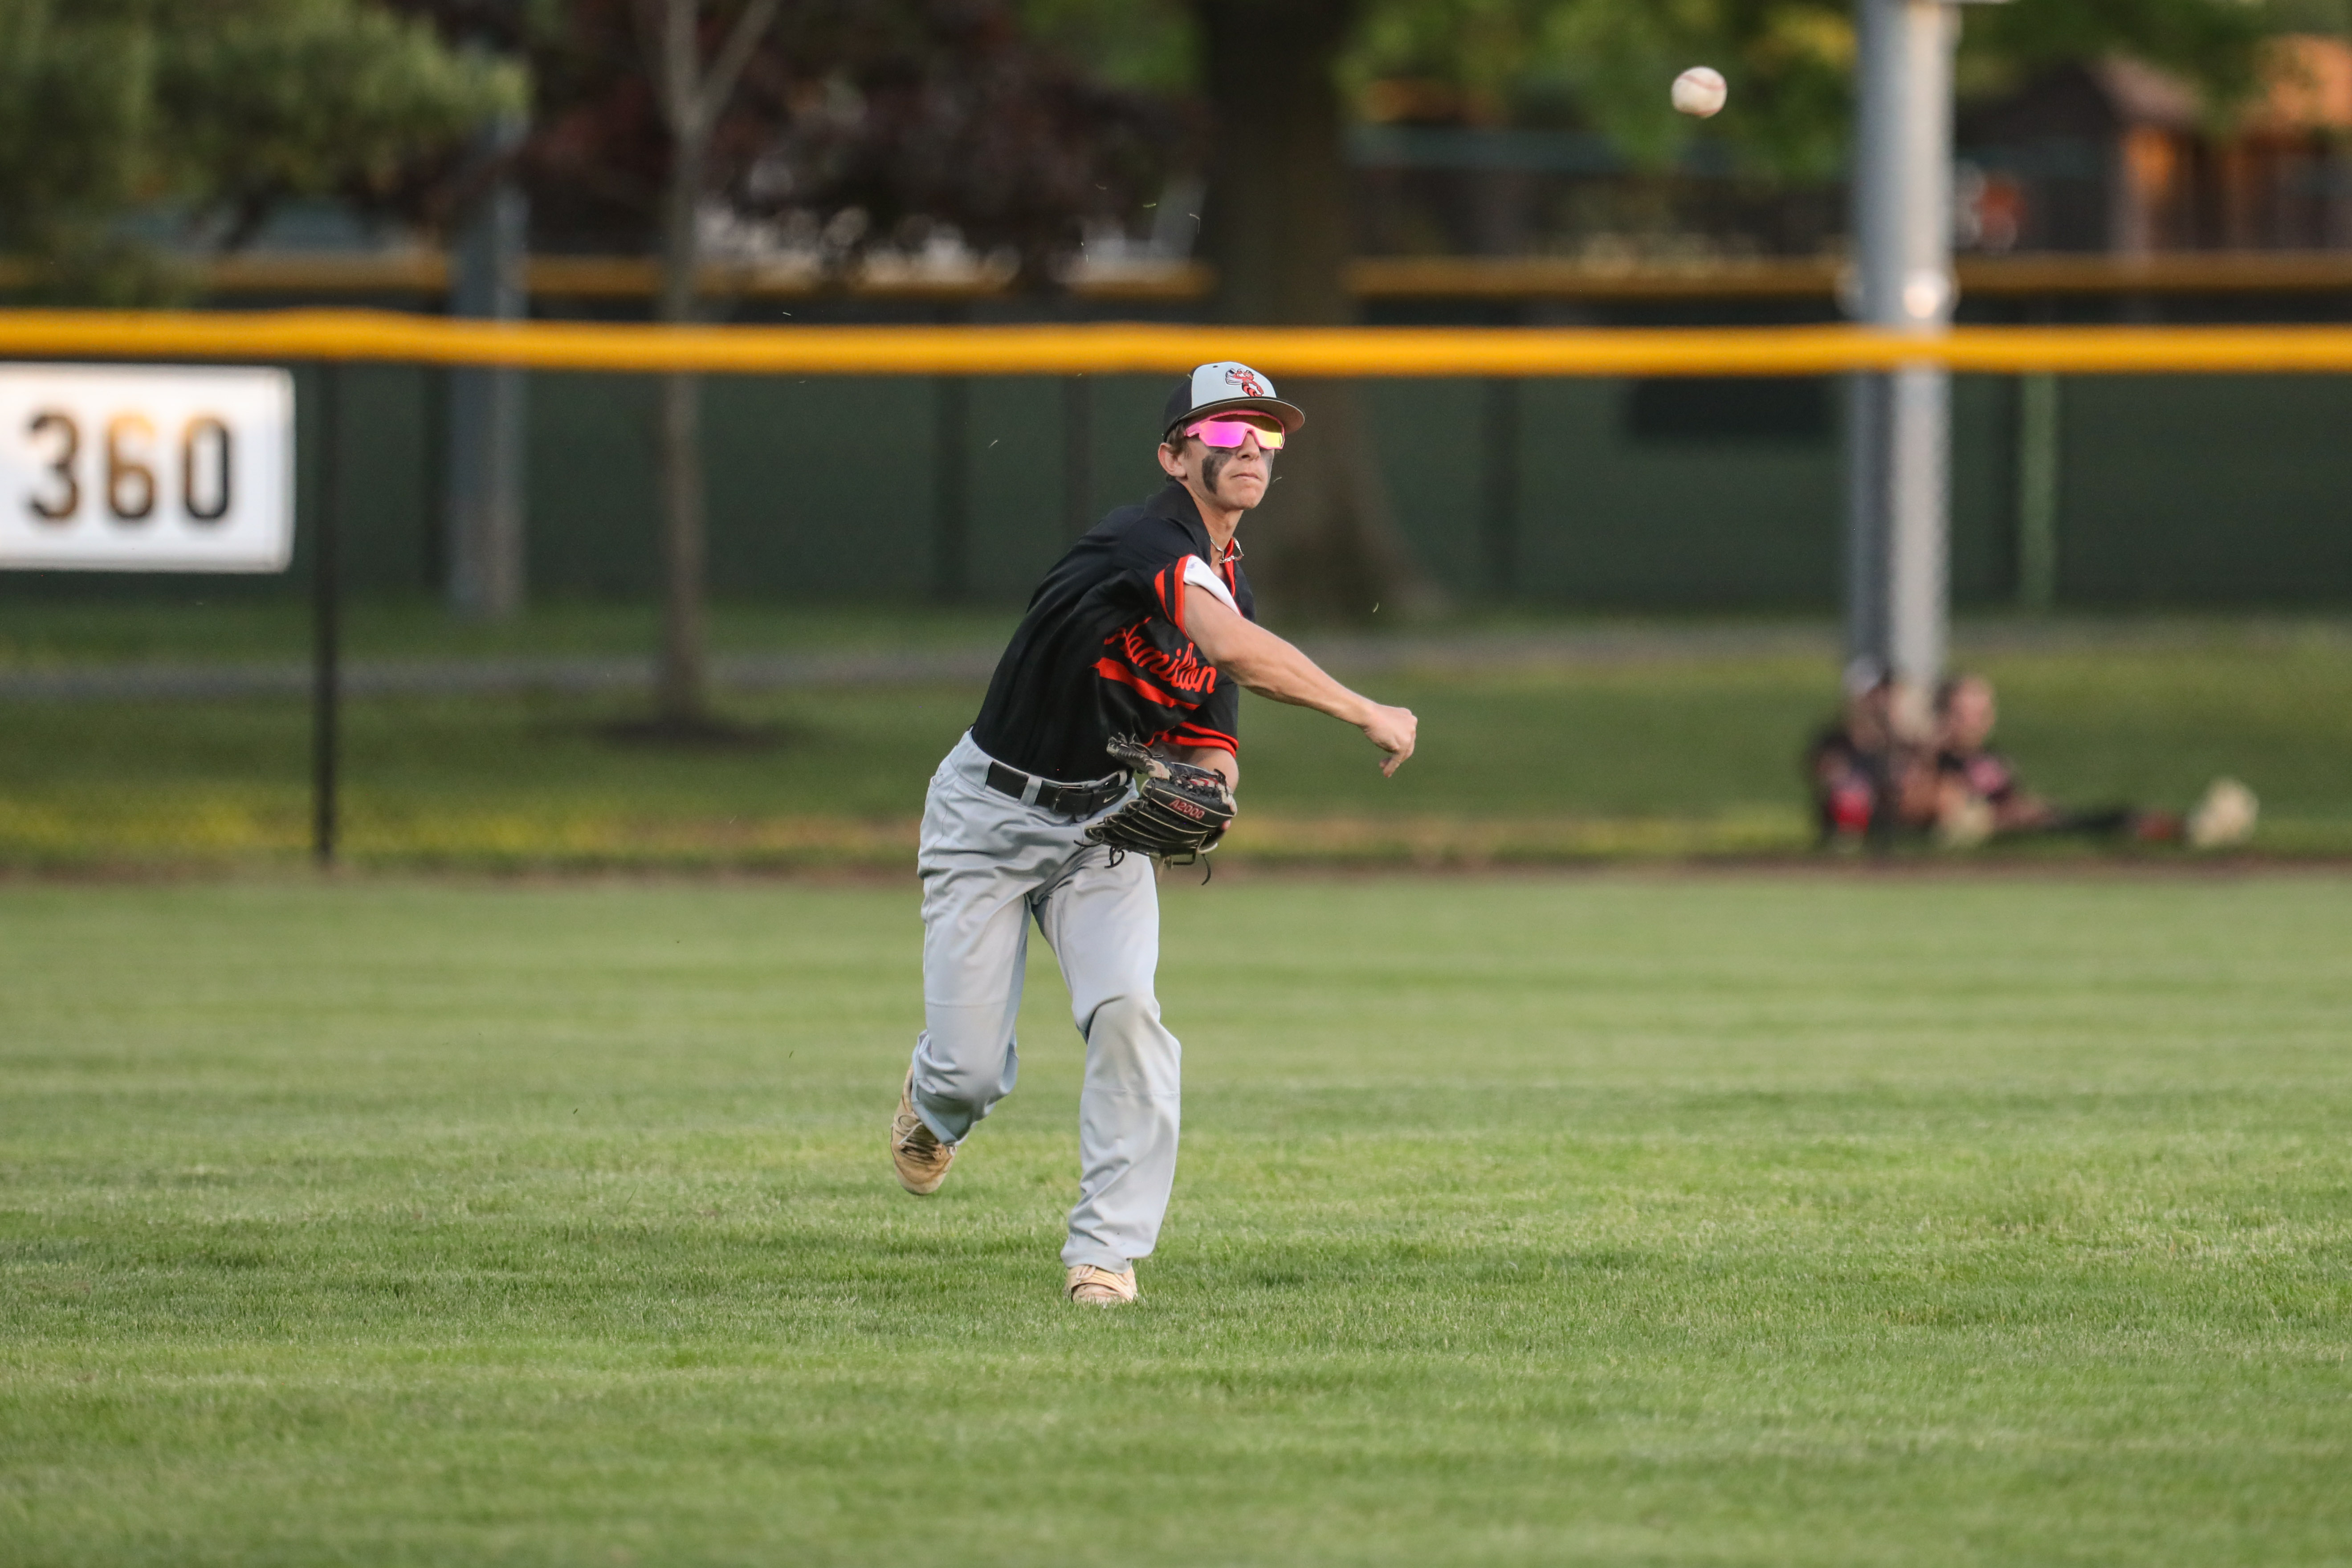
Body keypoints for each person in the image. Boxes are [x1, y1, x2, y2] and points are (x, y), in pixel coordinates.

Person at [889, 362, 1419, 1307]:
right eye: (1223, 432)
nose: (1250, 445)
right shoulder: (1144, 538)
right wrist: (1360, 706)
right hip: (991, 812)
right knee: (970, 1072)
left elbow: (1211, 735)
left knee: (1130, 1012)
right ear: (1175, 455)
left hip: (1101, 829)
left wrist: (1211, 789)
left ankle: (1105, 1254)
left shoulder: (1230, 583)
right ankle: (935, 1105)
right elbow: (1228, 651)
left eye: (1267, 432)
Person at [1928, 673, 2257, 849]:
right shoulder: (1933, 760)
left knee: (2112, 816)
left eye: (1982, 712)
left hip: (2032, 818)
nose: (1976, 722)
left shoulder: (1991, 757)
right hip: (2013, 826)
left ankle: (2186, 827)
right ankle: (2187, 829)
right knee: (2112, 821)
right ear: (1943, 715)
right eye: (1964, 713)